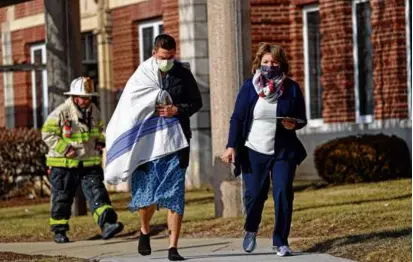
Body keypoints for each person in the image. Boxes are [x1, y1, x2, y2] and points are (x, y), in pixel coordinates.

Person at [105, 34, 202, 261]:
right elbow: (130, 106)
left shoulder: (183, 74)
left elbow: (197, 102)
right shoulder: (141, 76)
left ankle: (173, 247)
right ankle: (145, 229)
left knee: (175, 194)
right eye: (162, 57)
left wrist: (177, 109)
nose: (166, 61)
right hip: (146, 146)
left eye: (170, 57)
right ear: (153, 54)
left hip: (176, 143)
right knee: (147, 196)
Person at [221, 43, 307, 257]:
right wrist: (231, 145)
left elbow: (301, 118)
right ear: (259, 63)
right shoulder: (249, 87)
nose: (270, 66)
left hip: (283, 151)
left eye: (274, 62)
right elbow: (238, 118)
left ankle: (281, 241)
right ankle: (251, 228)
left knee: (283, 193)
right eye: (266, 62)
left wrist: (293, 124)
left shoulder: (292, 88)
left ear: (281, 64)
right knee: (254, 196)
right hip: (253, 150)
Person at [42, 77, 124, 243]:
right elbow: (47, 134)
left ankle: (107, 225)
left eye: (89, 97)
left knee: (98, 194)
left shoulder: (94, 110)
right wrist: (65, 149)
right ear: (74, 97)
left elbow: (99, 130)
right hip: (63, 166)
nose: (87, 100)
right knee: (62, 198)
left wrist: (101, 141)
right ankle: (59, 231)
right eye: (83, 97)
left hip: (89, 163)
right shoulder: (61, 112)